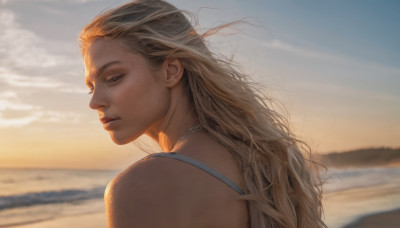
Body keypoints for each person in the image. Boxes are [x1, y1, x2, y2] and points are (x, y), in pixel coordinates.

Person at [80, 0, 327, 227]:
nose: (95, 102)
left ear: (171, 71)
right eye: (91, 87)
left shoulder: (140, 187)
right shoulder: (260, 160)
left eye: (113, 78)